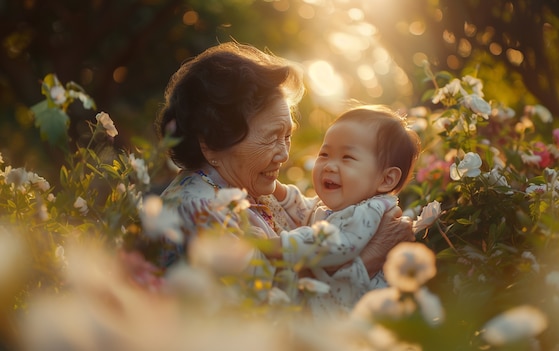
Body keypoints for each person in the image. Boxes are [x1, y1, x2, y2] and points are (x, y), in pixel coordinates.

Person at [153, 41, 415, 303]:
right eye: (271, 138)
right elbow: (276, 313)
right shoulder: (199, 212)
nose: (285, 154)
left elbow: (318, 219)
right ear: (210, 143)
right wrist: (376, 253)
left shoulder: (250, 190)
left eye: (287, 136)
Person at [270, 105, 420, 317]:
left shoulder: (373, 210)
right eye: (324, 154)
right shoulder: (337, 207)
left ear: (386, 179)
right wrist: (277, 190)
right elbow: (304, 207)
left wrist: (274, 245)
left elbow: (329, 245)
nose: (330, 165)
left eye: (347, 157)